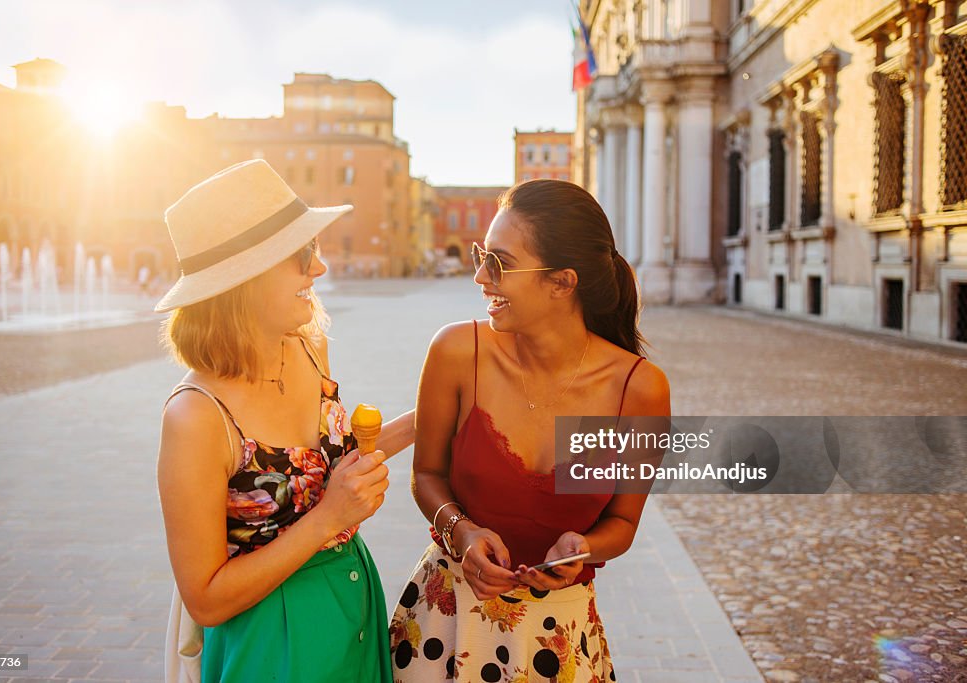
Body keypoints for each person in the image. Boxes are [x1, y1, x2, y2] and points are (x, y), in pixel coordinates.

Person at [390, 179, 671, 681]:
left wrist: (586, 547)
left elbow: (623, 523)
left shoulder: (639, 390)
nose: (479, 275)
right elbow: (426, 475)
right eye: (482, 255)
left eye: (498, 262)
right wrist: (462, 531)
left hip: (558, 641)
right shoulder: (457, 353)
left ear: (563, 282)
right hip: (445, 622)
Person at [155, 159, 413, 682]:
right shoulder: (197, 416)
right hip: (270, 639)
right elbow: (205, 598)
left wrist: (428, 418)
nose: (318, 269)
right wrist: (330, 518)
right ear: (243, 278)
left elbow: (326, 473)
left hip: (352, 602)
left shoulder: (308, 345)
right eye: (303, 254)